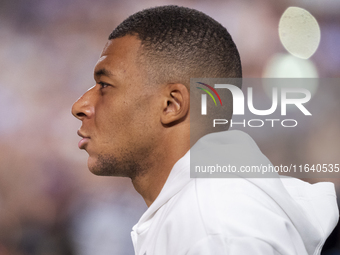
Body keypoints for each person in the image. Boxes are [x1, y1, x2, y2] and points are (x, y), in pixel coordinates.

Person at [71, 5, 338, 255]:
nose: (80, 106)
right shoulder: (207, 211)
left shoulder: (214, 226)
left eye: (104, 85)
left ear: (171, 104)